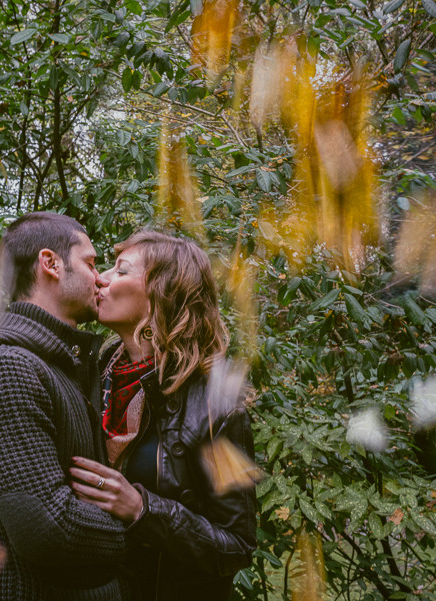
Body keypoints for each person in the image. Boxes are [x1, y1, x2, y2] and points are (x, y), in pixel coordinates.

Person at [68, 231, 257, 601]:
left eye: (120, 270)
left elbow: (236, 545)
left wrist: (143, 509)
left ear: (161, 295)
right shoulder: (93, 372)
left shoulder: (215, 406)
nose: (100, 278)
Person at [0, 212, 128, 601]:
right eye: (91, 262)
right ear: (50, 263)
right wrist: (146, 525)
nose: (100, 279)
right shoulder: (3, 367)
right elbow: (50, 530)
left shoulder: (59, 364)